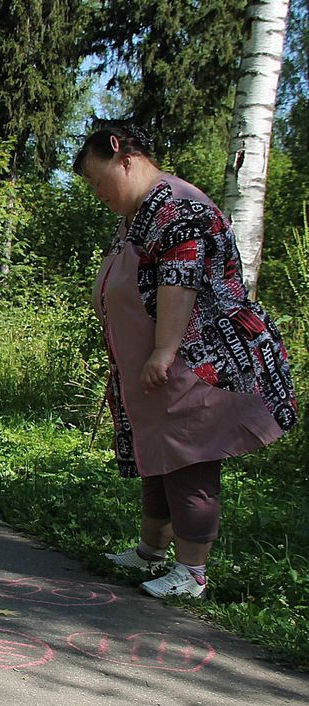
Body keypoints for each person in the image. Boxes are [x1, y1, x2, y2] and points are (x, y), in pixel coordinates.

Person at [74, 120, 298, 598]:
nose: (97, 192)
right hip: (160, 369)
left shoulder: (178, 207)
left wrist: (163, 350)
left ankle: (192, 571)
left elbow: (180, 281)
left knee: (190, 460)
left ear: (122, 156)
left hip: (198, 364)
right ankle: (151, 551)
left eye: (97, 179)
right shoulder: (139, 213)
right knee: (158, 456)